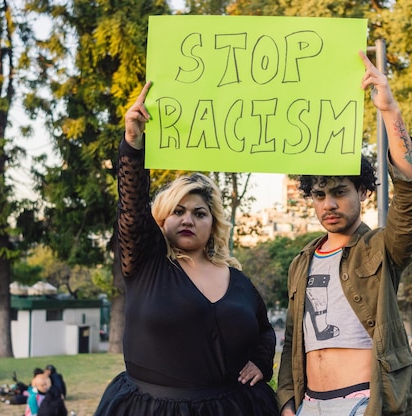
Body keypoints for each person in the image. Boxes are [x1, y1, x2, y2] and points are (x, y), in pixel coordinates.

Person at [93, 82, 278, 416]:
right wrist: (133, 145)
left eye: (199, 213)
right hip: (151, 408)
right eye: (178, 211)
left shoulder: (237, 280)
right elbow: (132, 211)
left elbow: (263, 330)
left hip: (233, 407)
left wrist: (261, 362)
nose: (188, 219)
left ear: (213, 223)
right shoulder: (145, 265)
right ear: (162, 220)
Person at [276, 51, 412, 416]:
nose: (328, 204)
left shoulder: (381, 248)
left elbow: (409, 197)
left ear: (362, 192)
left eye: (339, 192)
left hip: (365, 402)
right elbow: (293, 341)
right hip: (310, 404)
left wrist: (389, 111)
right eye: (320, 194)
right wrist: (287, 404)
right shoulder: (301, 261)